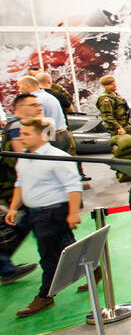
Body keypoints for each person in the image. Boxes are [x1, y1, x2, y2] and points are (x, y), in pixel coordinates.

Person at [6, 115, 82, 318]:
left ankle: (45, 296)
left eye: (26, 134)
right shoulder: (24, 157)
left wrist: (73, 213)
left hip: (53, 212)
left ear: (41, 135)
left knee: (49, 256)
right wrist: (14, 208)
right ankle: (93, 270)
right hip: (34, 213)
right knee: (67, 247)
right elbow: (20, 184)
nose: (21, 137)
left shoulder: (57, 157)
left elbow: (73, 186)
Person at [0, 94, 40, 286]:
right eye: (33, 105)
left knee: (19, 225)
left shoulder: (26, 124)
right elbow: (23, 156)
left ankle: (5, 266)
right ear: (19, 107)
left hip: (19, 185)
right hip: (15, 186)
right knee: (19, 224)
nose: (38, 107)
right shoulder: (17, 127)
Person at [17, 75, 86, 185]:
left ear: (27, 85)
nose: (19, 89)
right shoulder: (49, 96)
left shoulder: (36, 100)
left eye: (19, 86)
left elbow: (43, 120)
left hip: (53, 137)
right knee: (65, 168)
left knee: (53, 172)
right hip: (63, 134)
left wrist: (44, 144)